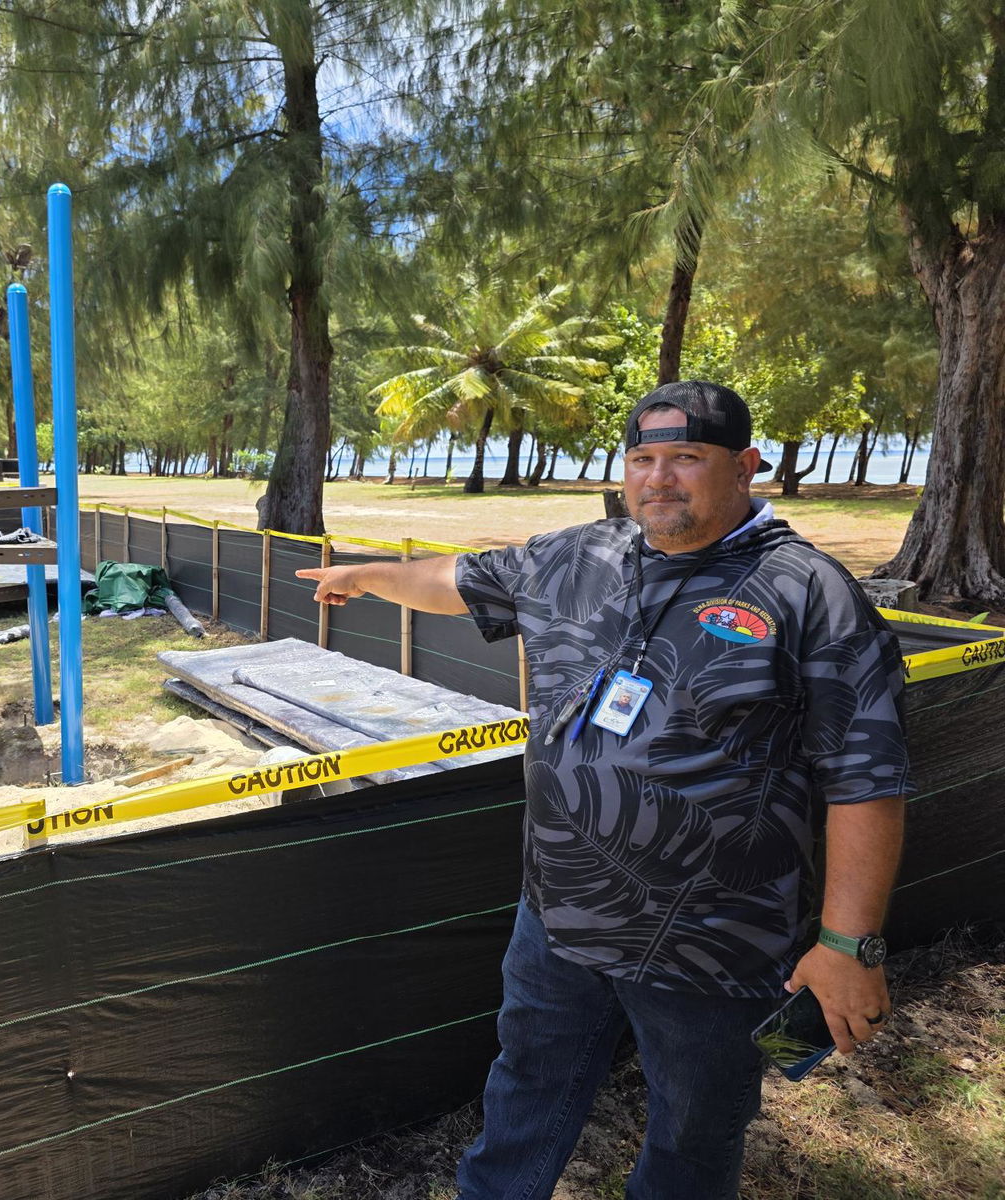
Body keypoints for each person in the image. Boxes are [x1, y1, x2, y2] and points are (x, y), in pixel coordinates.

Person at [296, 380, 909, 1200]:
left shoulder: (810, 593)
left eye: (687, 458)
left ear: (747, 467)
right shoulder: (579, 557)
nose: (660, 479)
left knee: (695, 1133)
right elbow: (462, 580)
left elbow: (866, 780)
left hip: (713, 943)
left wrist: (847, 946)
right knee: (524, 1094)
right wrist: (373, 575)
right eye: (644, 459)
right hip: (557, 916)